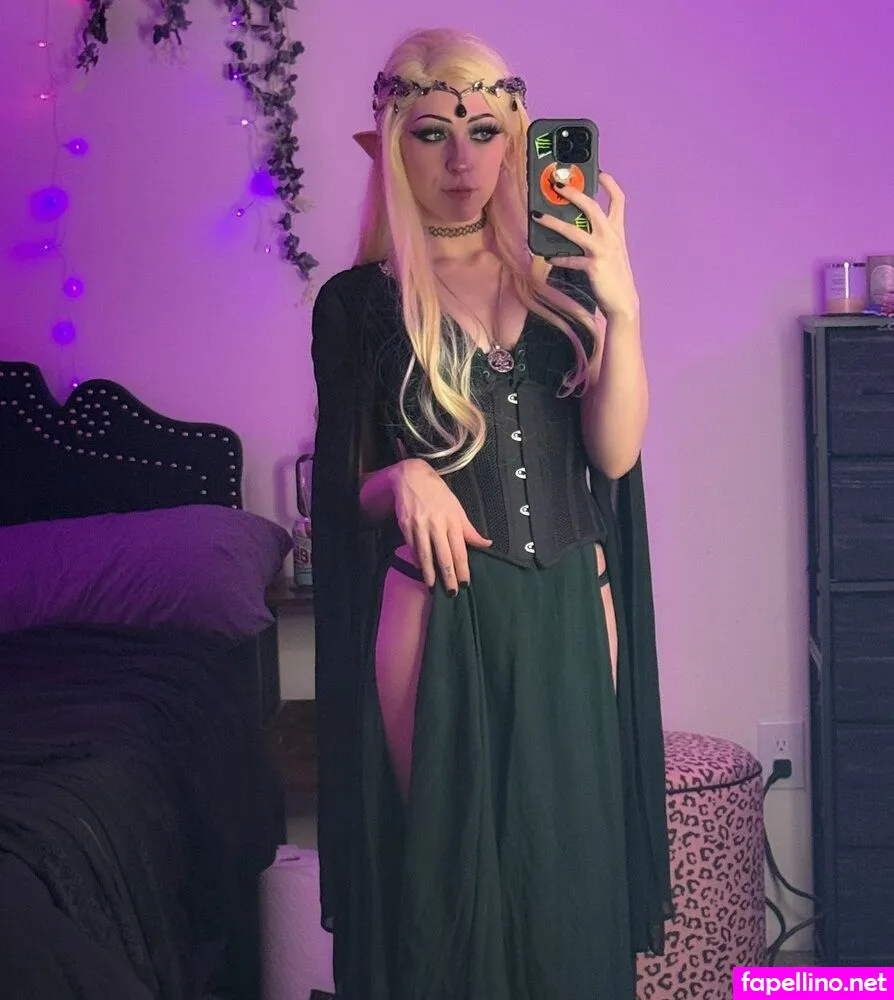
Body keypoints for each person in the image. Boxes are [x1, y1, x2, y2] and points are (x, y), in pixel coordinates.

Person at [310, 27, 673, 1000]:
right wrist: (402, 479)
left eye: (482, 131)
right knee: (446, 885)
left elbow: (614, 456)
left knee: (568, 886)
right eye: (433, 133)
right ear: (394, 146)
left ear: (515, 137)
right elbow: (342, 492)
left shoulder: (567, 288)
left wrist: (625, 310)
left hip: (570, 607)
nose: (462, 160)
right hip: (437, 612)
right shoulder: (356, 305)